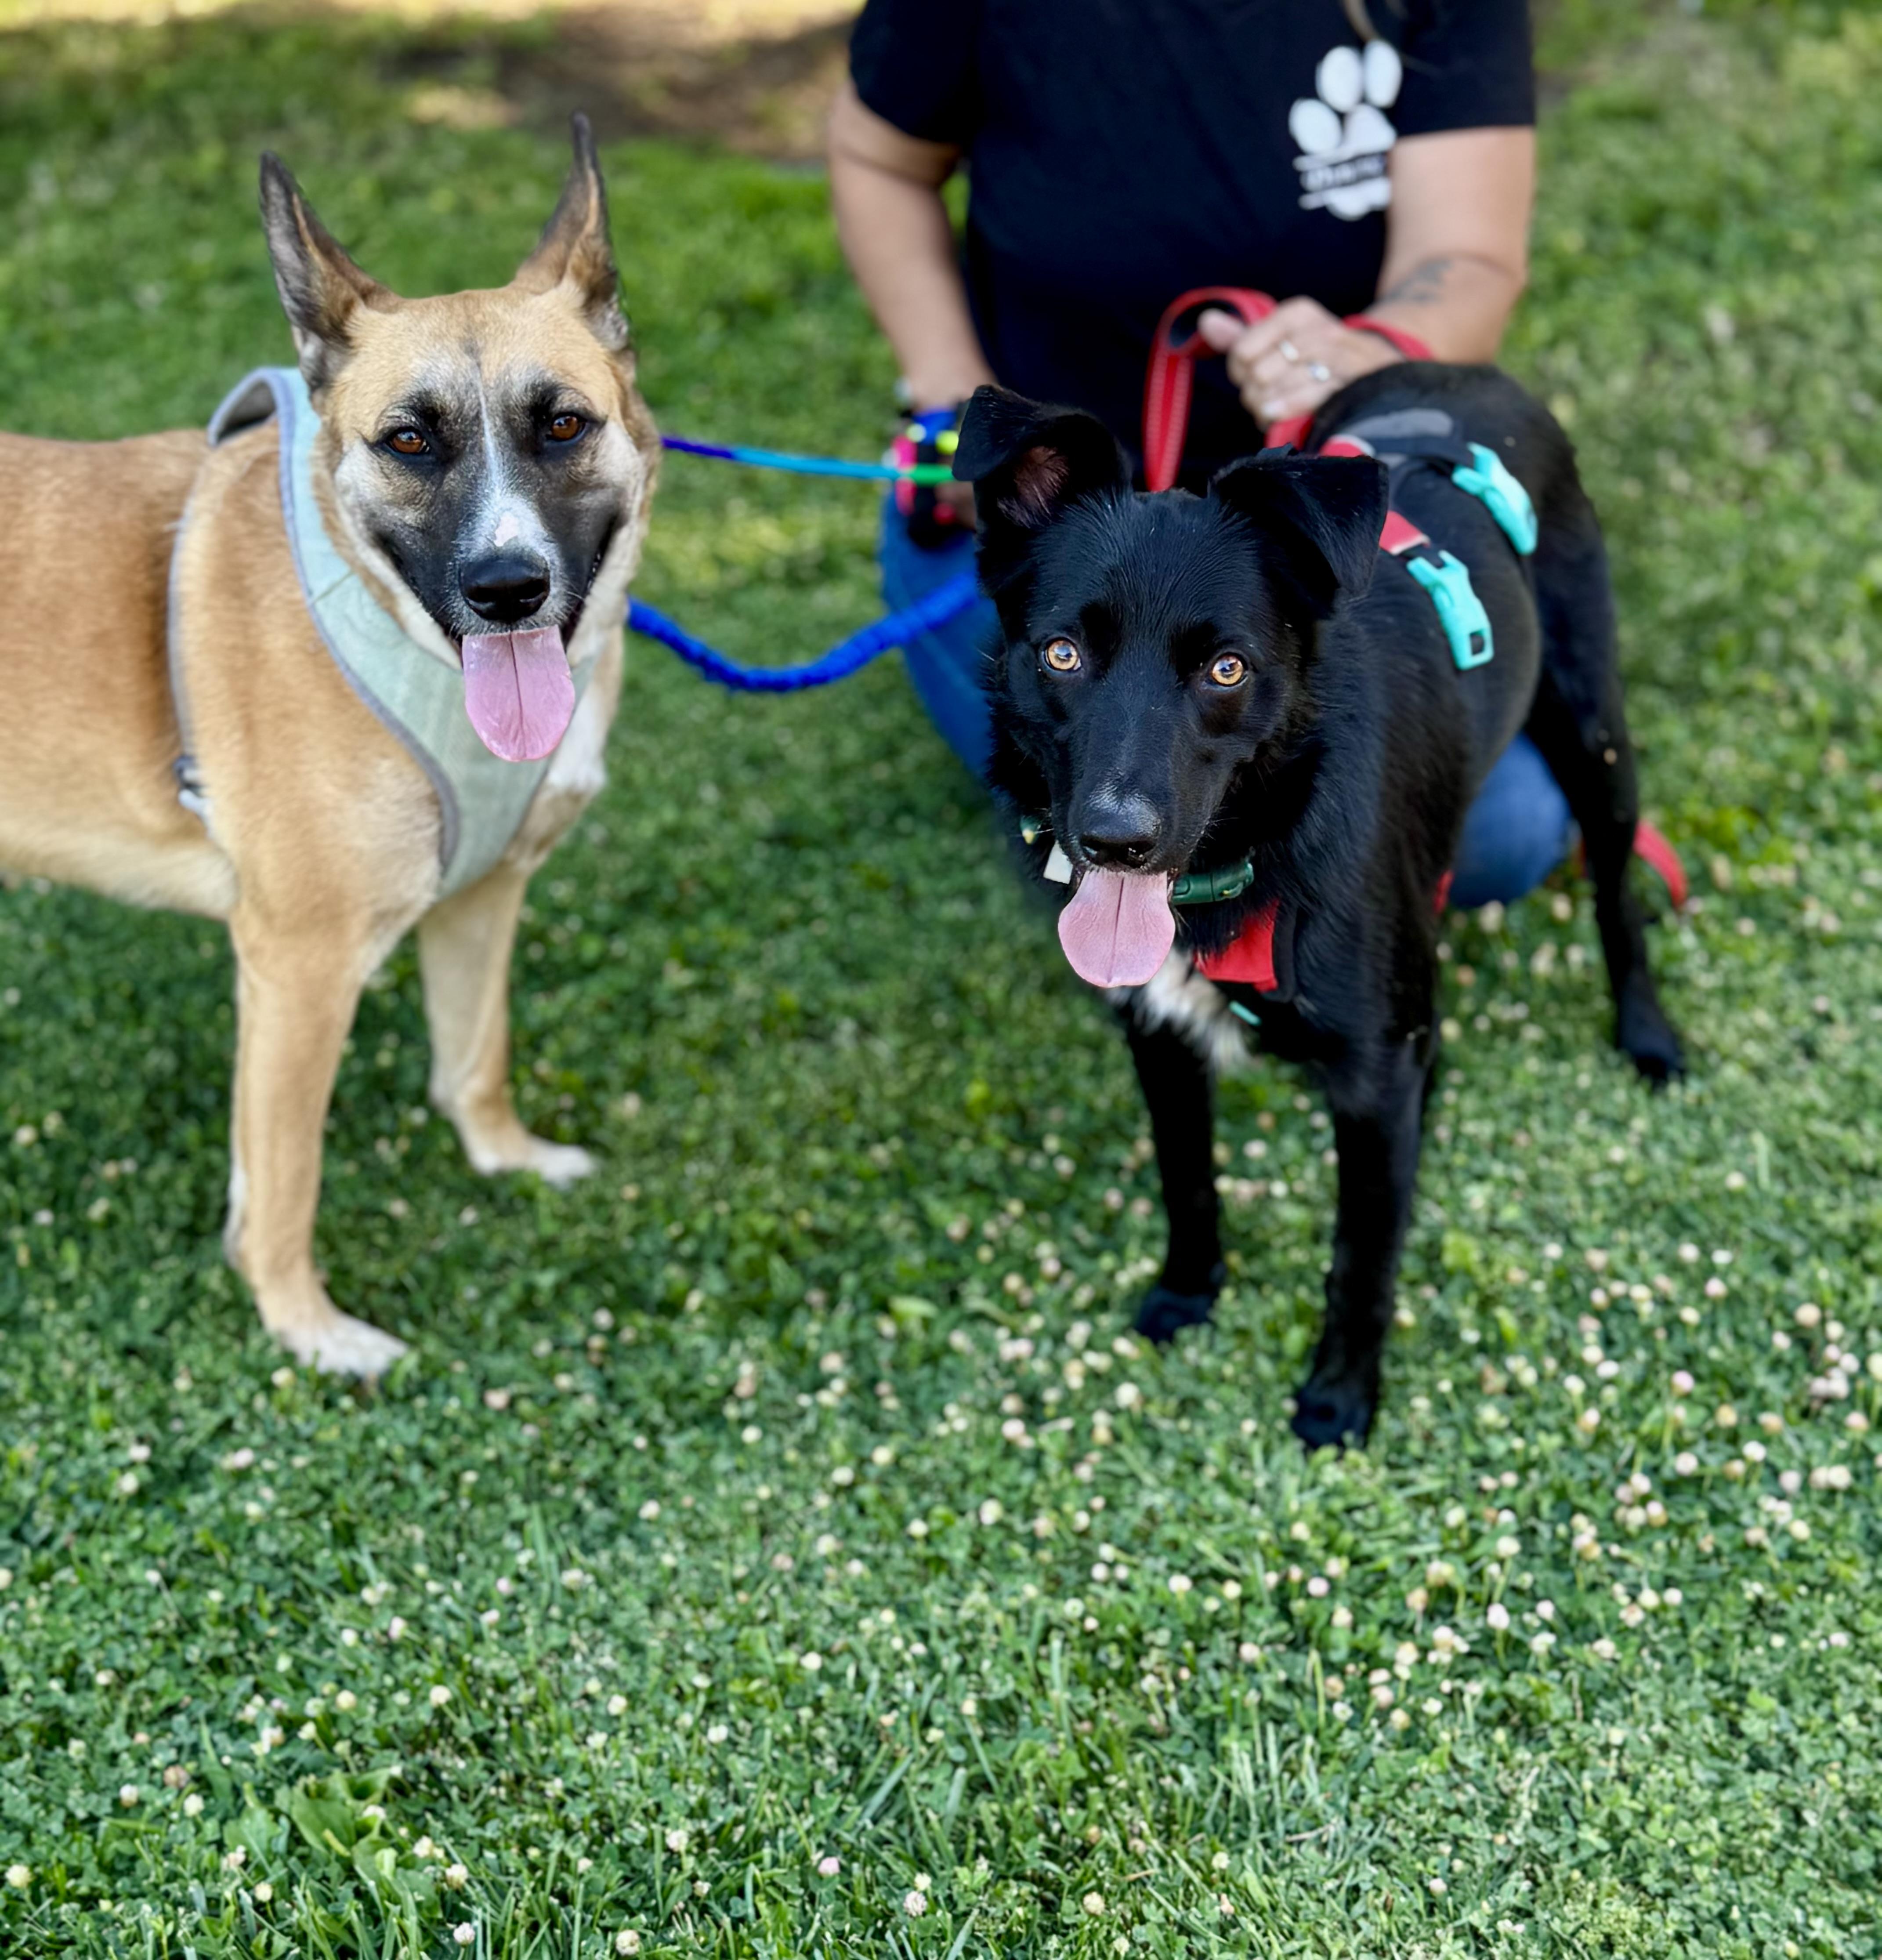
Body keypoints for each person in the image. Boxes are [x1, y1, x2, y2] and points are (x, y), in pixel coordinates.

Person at [827, 0, 1573, 908]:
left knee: (1504, 836)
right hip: (1050, 518)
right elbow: (879, 161)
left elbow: (1467, 259)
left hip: (1283, 539)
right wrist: (951, 404)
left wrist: (1364, 350)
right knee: (1105, 792)